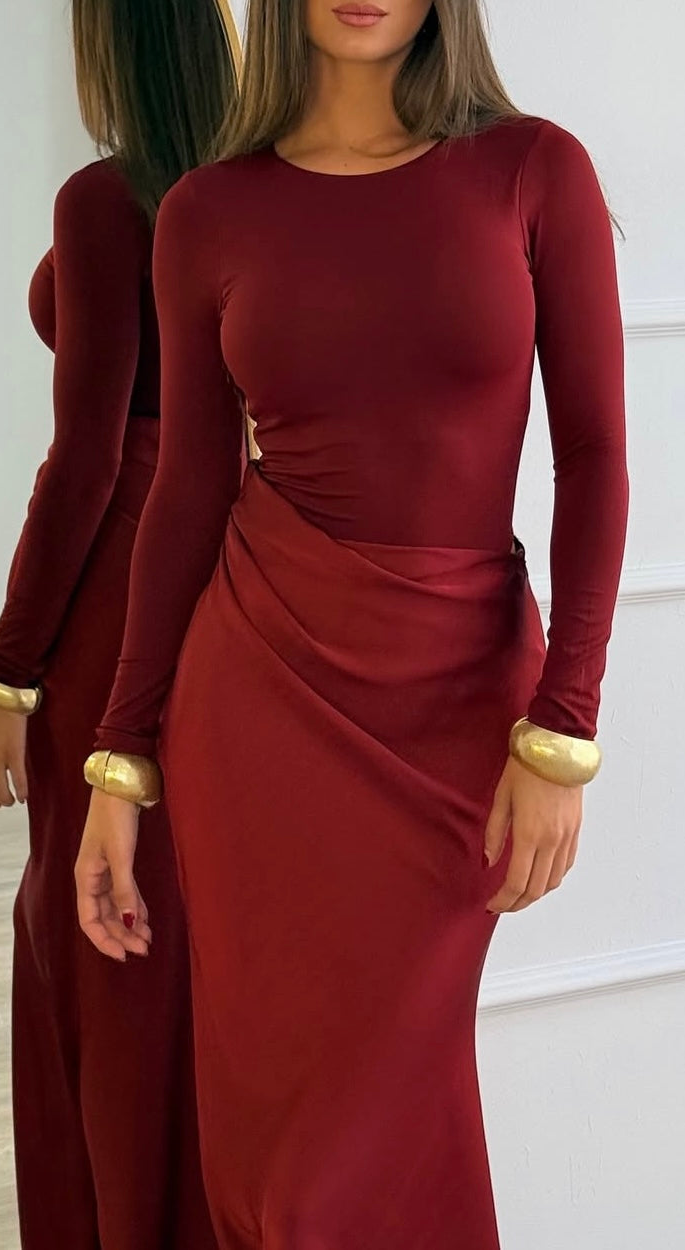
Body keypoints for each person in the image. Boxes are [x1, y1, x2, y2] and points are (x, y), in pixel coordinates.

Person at [76, 1, 629, 1246]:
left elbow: (594, 458)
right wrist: (120, 757)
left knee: (377, 1114)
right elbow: (187, 494)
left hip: (456, 719)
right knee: (276, 1143)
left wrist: (563, 726)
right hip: (256, 709)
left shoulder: (533, 170)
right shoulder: (209, 211)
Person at [0, 3, 239, 1246]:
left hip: (121, 586)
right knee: (190, 936)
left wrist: (2, 674)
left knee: (98, 942)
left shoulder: (108, 201)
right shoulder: (264, 188)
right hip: (240, 580)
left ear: (108, 41)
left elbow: (86, 461)